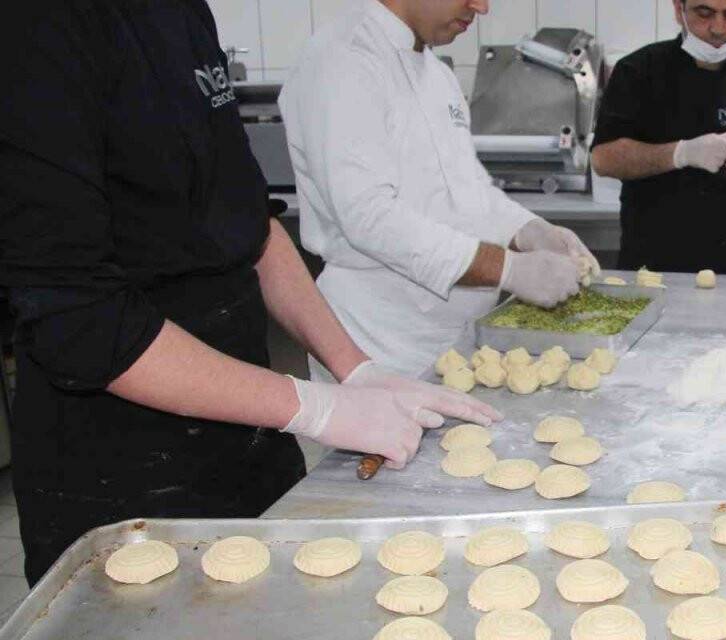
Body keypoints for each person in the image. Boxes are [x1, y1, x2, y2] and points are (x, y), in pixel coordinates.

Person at [0, 1, 499, 585]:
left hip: (253, 443)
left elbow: (250, 227)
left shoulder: (184, 12)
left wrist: (355, 370)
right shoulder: (35, 25)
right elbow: (81, 323)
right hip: (119, 476)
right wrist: (315, 407)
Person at [279, 0, 601, 382]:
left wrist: (530, 231)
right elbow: (369, 217)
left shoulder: (436, 73)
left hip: (457, 346)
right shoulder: (343, 60)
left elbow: (468, 195)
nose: (481, 7)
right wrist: (507, 269)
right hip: (380, 350)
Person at [591, 0, 726, 276]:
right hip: (653, 266)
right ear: (679, 9)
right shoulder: (638, 72)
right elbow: (603, 159)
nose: (718, 28)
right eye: (704, 12)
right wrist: (681, 153)